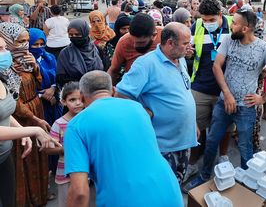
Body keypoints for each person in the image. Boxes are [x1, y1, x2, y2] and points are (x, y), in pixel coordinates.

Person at [184, 9, 266, 191]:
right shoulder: (228, 41)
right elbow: (217, 66)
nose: (231, 25)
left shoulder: (264, 48)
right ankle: (204, 175)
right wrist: (227, 94)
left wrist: (263, 98)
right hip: (224, 103)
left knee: (245, 147)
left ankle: (246, 183)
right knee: (212, 141)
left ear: (246, 28)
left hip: (246, 108)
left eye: (235, 23)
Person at [65, 71, 183, 207]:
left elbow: (79, 192)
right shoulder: (138, 108)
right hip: (169, 192)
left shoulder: (76, 126)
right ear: (113, 90)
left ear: (81, 96)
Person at [115, 23, 197, 183]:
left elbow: (184, 93)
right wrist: (143, 110)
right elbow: (120, 95)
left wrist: (193, 123)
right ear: (170, 43)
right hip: (163, 147)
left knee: (175, 185)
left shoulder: (180, 60)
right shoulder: (145, 64)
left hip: (183, 141)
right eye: (185, 43)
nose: (189, 47)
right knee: (161, 189)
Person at [0, 37, 59, 207]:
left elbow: (5, 110)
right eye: (1, 48)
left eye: (5, 47)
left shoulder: (3, 76)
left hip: (4, 156)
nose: (6, 53)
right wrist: (32, 130)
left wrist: (20, 130)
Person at [185, 0, 234, 181]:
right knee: (198, 128)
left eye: (212, 20)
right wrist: (187, 52)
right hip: (200, 86)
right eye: (204, 19)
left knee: (226, 126)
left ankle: (223, 157)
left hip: (226, 89)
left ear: (221, 15)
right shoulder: (196, 25)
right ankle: (194, 162)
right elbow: (188, 49)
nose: (207, 23)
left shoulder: (232, 25)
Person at [45, 82, 83, 207]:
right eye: (72, 99)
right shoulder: (59, 123)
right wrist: (64, 149)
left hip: (84, 171)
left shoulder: (87, 120)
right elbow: (49, 149)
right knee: (67, 202)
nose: (78, 103)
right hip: (65, 171)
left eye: (81, 99)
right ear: (63, 102)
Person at [107, 13, 162, 84]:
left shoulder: (164, 37)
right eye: (133, 41)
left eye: (141, 42)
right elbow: (113, 70)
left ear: (153, 36)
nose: (135, 45)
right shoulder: (124, 41)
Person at [28, 28, 62, 125]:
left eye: (42, 44)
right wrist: (41, 94)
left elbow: (58, 75)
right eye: (35, 44)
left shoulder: (50, 57)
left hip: (53, 101)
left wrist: (53, 88)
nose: (39, 47)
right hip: (35, 104)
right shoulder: (25, 61)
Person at [56, 20, 104, 88]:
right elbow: (61, 78)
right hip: (76, 92)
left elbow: (105, 71)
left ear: (85, 33)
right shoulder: (65, 53)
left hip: (97, 90)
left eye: (77, 34)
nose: (74, 37)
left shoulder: (97, 50)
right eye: (71, 35)